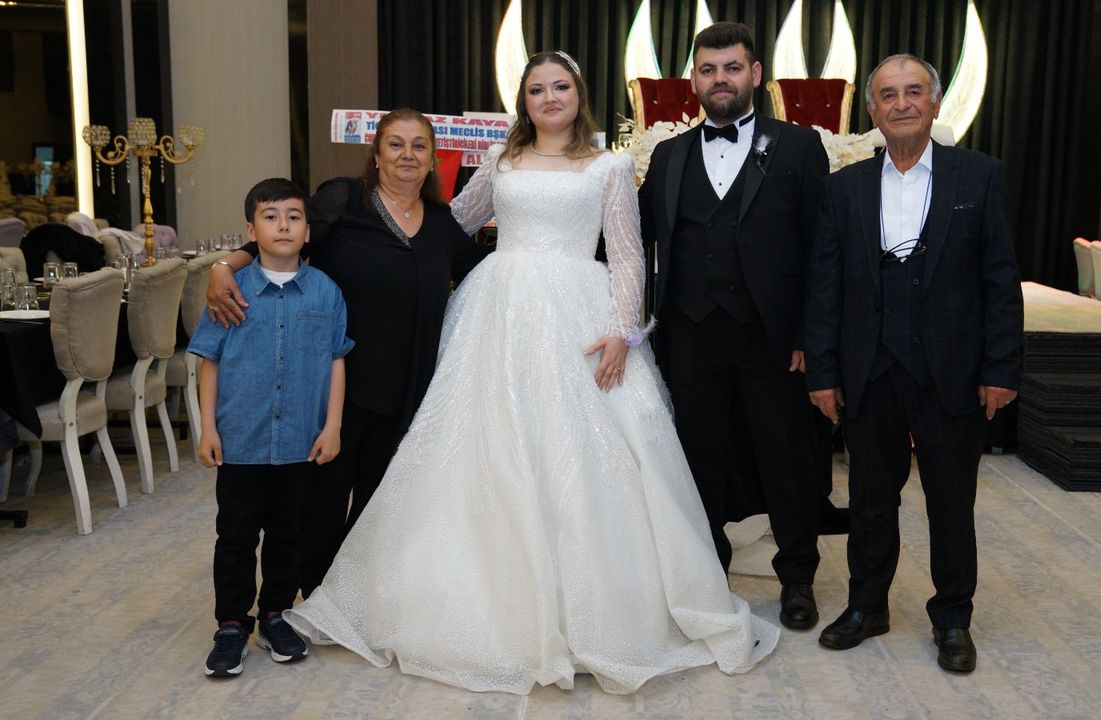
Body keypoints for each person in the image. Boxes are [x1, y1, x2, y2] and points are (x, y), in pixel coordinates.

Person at [283, 51, 778, 695]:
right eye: (537, 89)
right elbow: (449, 226)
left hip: (580, 318)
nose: (549, 98)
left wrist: (623, 332)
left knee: (586, 453)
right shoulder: (501, 160)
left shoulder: (609, 166)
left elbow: (629, 255)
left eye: (560, 87)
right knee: (480, 445)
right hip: (498, 313)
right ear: (524, 100)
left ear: (579, 95)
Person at [205, 110, 490, 597]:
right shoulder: (344, 199)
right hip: (333, 386)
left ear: (433, 160)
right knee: (321, 503)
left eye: (419, 146)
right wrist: (224, 266)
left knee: (378, 504)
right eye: (395, 144)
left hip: (407, 389)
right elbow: (284, 237)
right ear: (376, 156)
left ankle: (354, 599)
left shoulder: (441, 224)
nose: (407, 155)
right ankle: (312, 597)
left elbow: (485, 273)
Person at [805, 54, 1024, 673]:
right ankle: (867, 606)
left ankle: (953, 618)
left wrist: (1001, 368)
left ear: (934, 102)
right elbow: (824, 287)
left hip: (952, 371)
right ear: (872, 110)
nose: (901, 104)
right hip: (869, 369)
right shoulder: (843, 187)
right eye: (888, 94)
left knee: (951, 503)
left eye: (913, 92)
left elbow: (1000, 279)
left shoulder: (978, 177)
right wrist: (823, 371)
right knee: (870, 500)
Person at [637, 21, 827, 631]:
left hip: (772, 339)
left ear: (755, 75)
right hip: (689, 336)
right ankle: (706, 572)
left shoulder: (798, 146)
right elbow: (635, 240)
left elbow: (820, 250)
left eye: (732, 68)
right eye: (709, 70)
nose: (721, 79)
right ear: (694, 79)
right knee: (698, 459)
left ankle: (797, 577)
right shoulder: (668, 155)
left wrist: (808, 334)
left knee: (785, 459)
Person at [190, 178, 354, 678]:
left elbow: (336, 360)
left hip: (301, 440)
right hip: (240, 439)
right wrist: (207, 428)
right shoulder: (230, 291)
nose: (283, 225)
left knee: (289, 535)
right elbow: (210, 362)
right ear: (250, 229)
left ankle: (276, 614)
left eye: (293, 217)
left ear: (308, 231)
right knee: (236, 536)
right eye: (270, 216)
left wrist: (332, 426)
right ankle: (231, 625)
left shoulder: (326, 291)